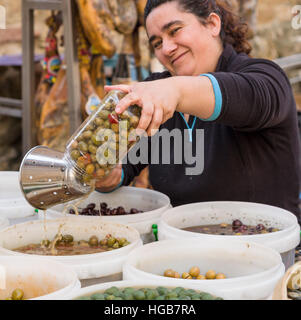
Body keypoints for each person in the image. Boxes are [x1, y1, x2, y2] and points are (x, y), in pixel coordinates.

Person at [95, 0, 301, 222]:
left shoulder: (265, 78)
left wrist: (174, 90)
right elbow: (124, 167)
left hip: (264, 248)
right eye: (156, 43)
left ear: (212, 24)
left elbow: (246, 97)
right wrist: (105, 174)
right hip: (182, 248)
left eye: (175, 31)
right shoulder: (158, 97)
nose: (166, 48)